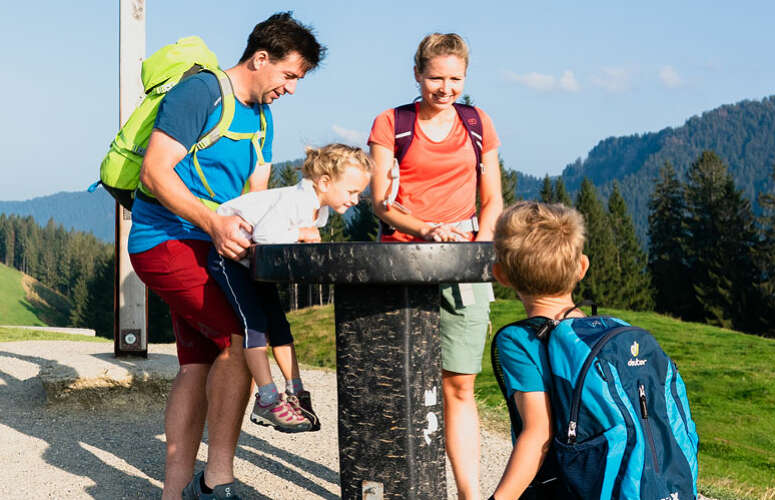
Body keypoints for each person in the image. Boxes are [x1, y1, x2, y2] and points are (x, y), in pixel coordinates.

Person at [127, 12, 325, 500]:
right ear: (261, 58)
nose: (292, 88)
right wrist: (212, 221)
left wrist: (291, 231)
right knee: (239, 339)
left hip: (215, 253)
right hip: (166, 241)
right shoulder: (200, 94)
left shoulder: (262, 119)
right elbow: (155, 173)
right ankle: (218, 482)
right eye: (289, 75)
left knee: (198, 362)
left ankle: (175, 493)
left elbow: (255, 200)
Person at [367, 33, 504, 500]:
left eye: (455, 79)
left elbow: (494, 199)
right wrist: (427, 229)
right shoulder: (392, 123)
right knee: (395, 380)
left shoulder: (478, 122)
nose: (445, 88)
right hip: (403, 259)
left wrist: (479, 249)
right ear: (417, 74)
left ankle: (468, 494)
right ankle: (395, 486)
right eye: (436, 78)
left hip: (464, 265)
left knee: (459, 385)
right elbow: (382, 203)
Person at [206, 144, 372, 433]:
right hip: (229, 259)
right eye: (351, 192)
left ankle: (296, 390)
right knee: (254, 324)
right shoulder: (296, 201)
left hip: (255, 263)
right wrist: (301, 234)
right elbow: (266, 235)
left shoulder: (318, 210)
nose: (356, 200)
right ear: (324, 182)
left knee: (279, 325)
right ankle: (267, 399)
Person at [489, 201, 590, 500]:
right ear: (582, 266)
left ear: (501, 275)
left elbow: (539, 434)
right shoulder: (600, 330)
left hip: (563, 486)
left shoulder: (519, 341)